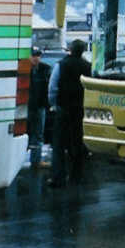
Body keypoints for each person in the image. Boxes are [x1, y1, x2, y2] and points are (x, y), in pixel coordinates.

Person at [48, 39, 91, 188]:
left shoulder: (61, 65)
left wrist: (54, 104)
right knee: (77, 142)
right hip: (80, 109)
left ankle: (58, 177)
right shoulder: (88, 66)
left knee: (59, 144)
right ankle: (77, 176)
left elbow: (53, 88)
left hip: (63, 108)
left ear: (70, 49)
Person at [27, 48, 51, 167]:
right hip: (26, 106)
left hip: (39, 106)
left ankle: (36, 160)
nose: (36, 58)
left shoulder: (45, 69)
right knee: (26, 133)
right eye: (34, 55)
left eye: (38, 55)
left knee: (38, 133)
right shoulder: (24, 69)